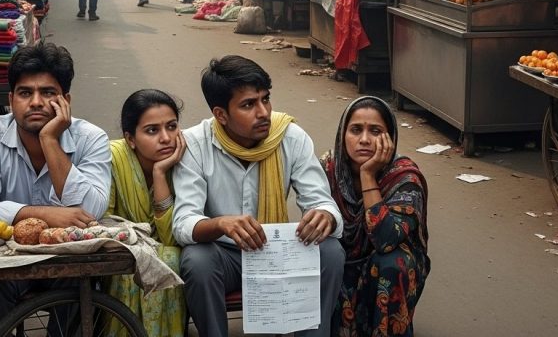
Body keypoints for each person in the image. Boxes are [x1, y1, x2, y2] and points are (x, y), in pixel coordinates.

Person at [173, 55, 345, 337]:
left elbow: (323, 202)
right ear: (221, 115)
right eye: (248, 105)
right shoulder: (195, 144)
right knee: (197, 260)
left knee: (330, 251)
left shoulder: (289, 136)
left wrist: (323, 215)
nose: (263, 112)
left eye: (265, 99)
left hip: (279, 249)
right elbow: (183, 223)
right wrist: (221, 224)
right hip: (226, 255)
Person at [0, 42, 111, 336]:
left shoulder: (90, 138)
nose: (36, 102)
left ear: (65, 100)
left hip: (64, 258)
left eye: (48, 93)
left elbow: (92, 210)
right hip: (3, 260)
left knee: (80, 282)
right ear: (11, 99)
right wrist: (45, 215)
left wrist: (50, 141)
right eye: (25, 93)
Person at [324, 96, 430, 337]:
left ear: (390, 138)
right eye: (355, 130)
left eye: (375, 131)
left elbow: (385, 240)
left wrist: (368, 176)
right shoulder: (328, 169)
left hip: (386, 266)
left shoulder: (404, 178)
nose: (364, 140)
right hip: (342, 262)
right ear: (343, 134)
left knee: (392, 262)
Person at [105, 89, 187, 337]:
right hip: (120, 247)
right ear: (130, 139)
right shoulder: (111, 157)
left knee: (170, 257)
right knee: (137, 262)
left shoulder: (185, 161)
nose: (166, 138)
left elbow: (173, 237)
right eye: (152, 130)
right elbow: (102, 219)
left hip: (168, 248)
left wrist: (161, 174)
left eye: (172, 127)